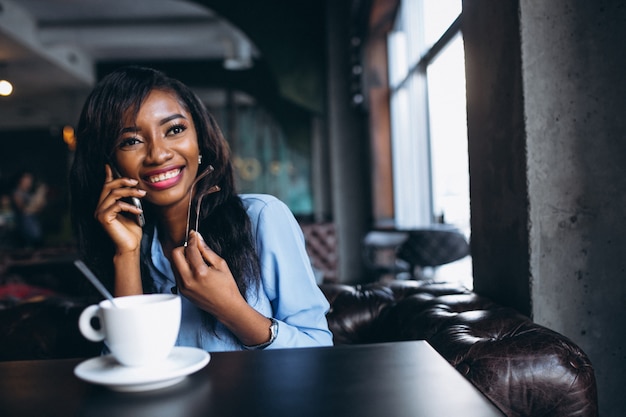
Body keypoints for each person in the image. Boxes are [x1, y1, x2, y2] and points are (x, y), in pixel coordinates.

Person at [69, 66, 333, 352]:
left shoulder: (262, 217)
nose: (158, 154)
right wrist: (127, 254)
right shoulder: (133, 248)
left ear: (200, 142)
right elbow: (130, 361)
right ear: (111, 164)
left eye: (175, 130)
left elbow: (318, 347)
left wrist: (231, 308)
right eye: (131, 141)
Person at [11, 171, 47, 247]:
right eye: (27, 180)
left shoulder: (29, 194)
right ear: (21, 180)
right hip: (23, 223)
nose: (29, 182)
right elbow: (23, 209)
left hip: (34, 221)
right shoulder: (17, 193)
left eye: (30, 180)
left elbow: (38, 208)